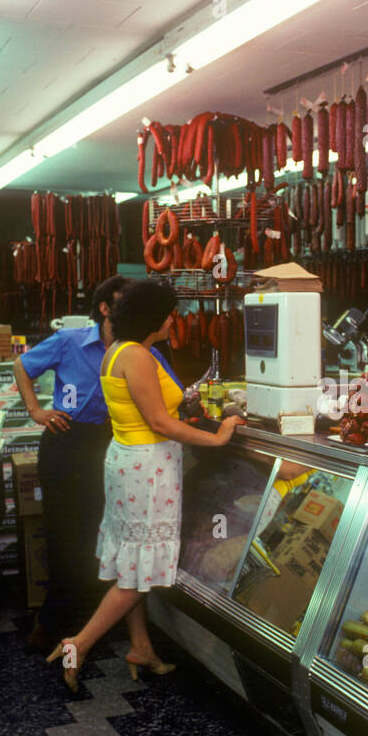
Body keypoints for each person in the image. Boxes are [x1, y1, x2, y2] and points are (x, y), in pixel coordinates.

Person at [48, 278, 242, 690]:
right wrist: (218, 436)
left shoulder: (120, 350)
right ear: (153, 317)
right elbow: (158, 421)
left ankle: (141, 645)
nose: (175, 321)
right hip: (147, 468)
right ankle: (78, 644)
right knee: (138, 574)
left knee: (131, 558)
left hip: (127, 461)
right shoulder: (136, 356)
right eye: (170, 314)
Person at [14, 276, 126, 653]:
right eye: (122, 302)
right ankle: (51, 621)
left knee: (99, 529)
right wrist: (36, 411)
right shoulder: (70, 340)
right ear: (105, 308)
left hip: (108, 443)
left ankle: (90, 620)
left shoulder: (132, 350)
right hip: (65, 440)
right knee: (63, 530)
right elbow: (22, 365)